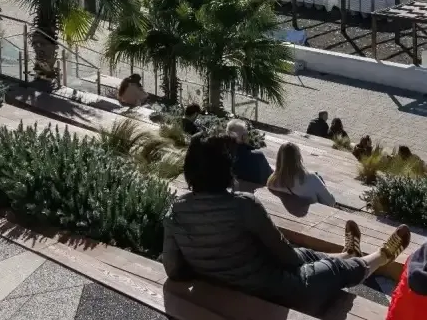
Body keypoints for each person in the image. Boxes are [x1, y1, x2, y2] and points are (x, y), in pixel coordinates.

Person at [163, 133, 410, 316]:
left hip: (235, 285)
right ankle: (380, 257)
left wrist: (210, 266)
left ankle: (348, 253)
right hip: (274, 291)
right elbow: (288, 258)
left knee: (306, 254)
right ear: (225, 170)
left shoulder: (175, 211)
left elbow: (173, 269)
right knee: (331, 269)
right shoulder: (244, 205)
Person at [268, 142, 337, 206]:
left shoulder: (272, 182)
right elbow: (330, 202)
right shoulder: (311, 178)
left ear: (279, 159)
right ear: (299, 158)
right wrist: (322, 184)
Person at [227, 119, 272, 187]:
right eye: (246, 134)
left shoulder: (222, 156)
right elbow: (271, 178)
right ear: (244, 137)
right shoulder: (257, 157)